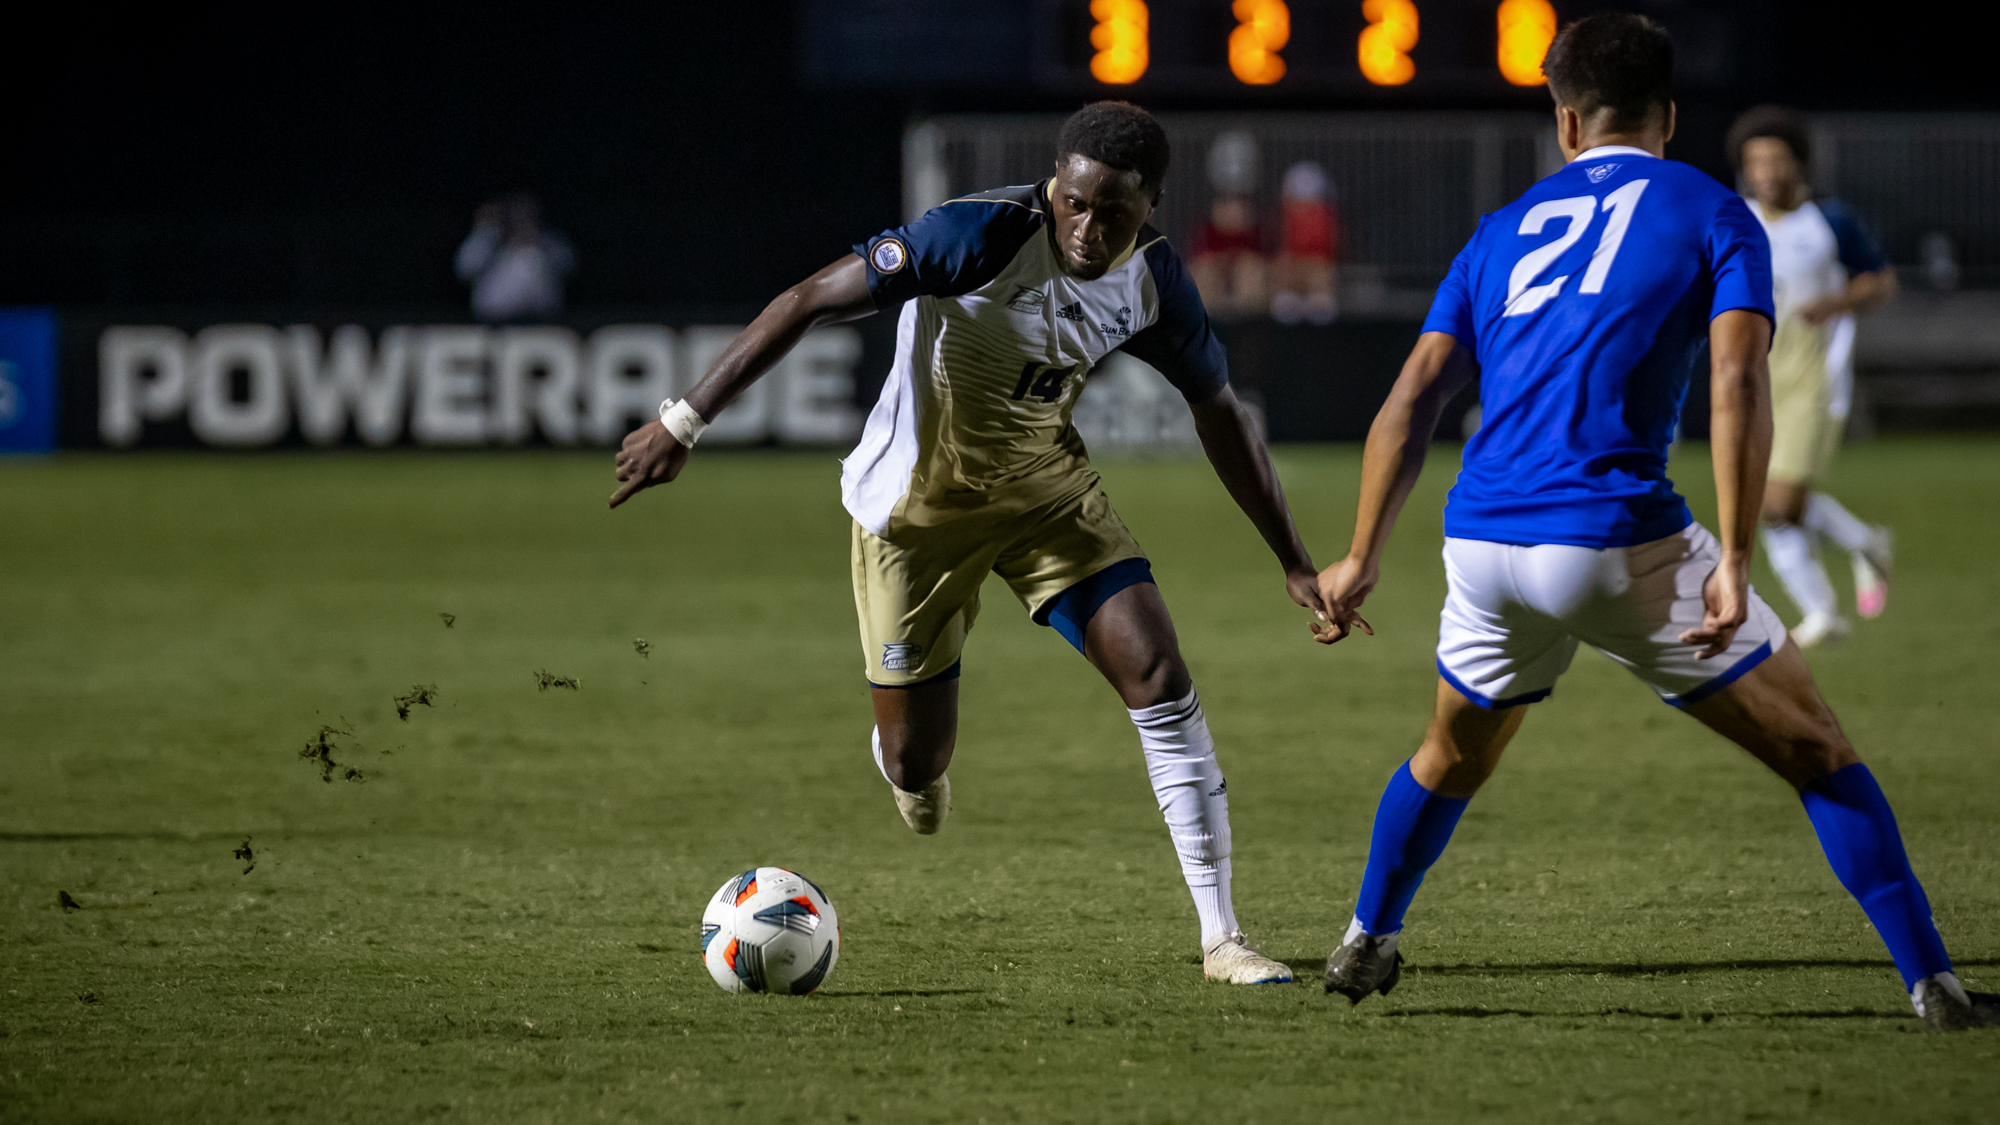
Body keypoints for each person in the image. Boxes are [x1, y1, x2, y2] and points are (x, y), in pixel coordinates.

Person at [1310, 13, 1995, 1031]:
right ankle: (1934, 987)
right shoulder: (1715, 213)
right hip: (1617, 540)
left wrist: (1361, 553)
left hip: (1484, 543)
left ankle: (1366, 934)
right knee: (1816, 750)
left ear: (1564, 122)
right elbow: (1734, 378)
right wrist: (1737, 557)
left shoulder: (1499, 228)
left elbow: (1412, 399)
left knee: (1448, 755)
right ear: (1668, 117)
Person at [611, 102, 1325, 985]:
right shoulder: (976, 235)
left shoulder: (1156, 281)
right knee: (918, 756)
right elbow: (807, 300)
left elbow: (1217, 412)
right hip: (914, 517)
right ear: (1053, 185)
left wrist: (1292, 557)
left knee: (1161, 675)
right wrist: (684, 420)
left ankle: (1222, 938)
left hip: (1046, 496)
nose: (1087, 227)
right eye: (1074, 202)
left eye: (1113, 212)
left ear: (1152, 207)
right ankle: (906, 766)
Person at [1727, 105, 1898, 648]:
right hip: (1755, 376)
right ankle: (1842, 581)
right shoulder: (1735, 220)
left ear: (1799, 164)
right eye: (1757, 162)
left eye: (1778, 160)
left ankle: (1838, 586)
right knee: (1770, 506)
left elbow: (1881, 281)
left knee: (1778, 503)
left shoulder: (1831, 221)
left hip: (1815, 378)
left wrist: (1840, 300)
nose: (1769, 172)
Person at [454, 194, 575, 324]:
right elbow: (465, 269)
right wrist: (484, 231)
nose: (520, 219)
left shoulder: (548, 242)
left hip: (541, 323)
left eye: (526, 214)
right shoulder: (487, 242)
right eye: (514, 214)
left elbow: (569, 266)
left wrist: (536, 243)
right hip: (494, 323)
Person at [1187, 131, 1269, 318]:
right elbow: (1197, 258)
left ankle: (1244, 339)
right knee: (1204, 276)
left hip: (1248, 275)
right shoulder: (1205, 219)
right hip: (1214, 274)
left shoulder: (1260, 220)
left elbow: (1265, 257)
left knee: (1250, 276)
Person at [1271, 161, 1341, 326]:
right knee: (1285, 268)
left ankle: (1320, 304)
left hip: (1317, 273)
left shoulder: (1326, 218)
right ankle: (1287, 301)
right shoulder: (1281, 218)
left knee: (1319, 272)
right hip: (1289, 273)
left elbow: (1329, 249)